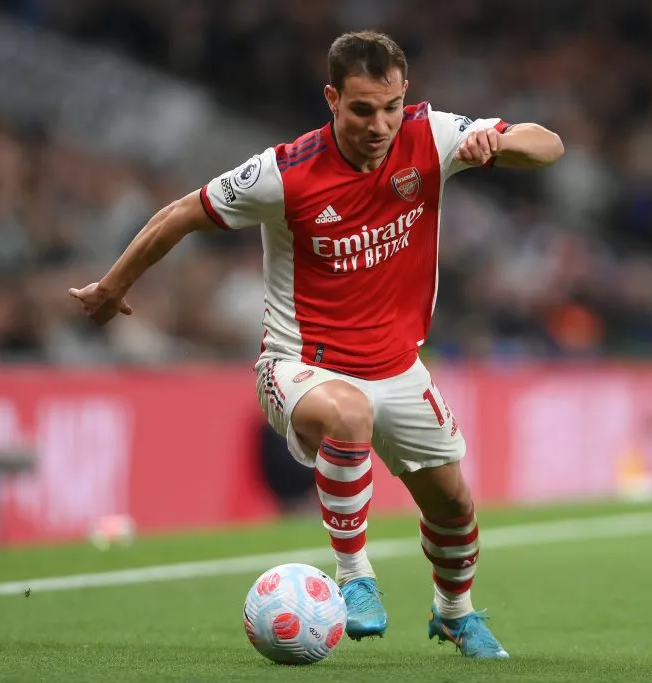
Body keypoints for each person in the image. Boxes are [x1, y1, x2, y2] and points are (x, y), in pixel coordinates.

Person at [69, 31, 563, 659]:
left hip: (399, 367)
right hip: (300, 366)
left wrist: (501, 140)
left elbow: (548, 145)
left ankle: (455, 613)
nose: (379, 124)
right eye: (361, 109)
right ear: (331, 98)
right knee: (348, 413)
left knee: (455, 505)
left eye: (389, 107)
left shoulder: (432, 135)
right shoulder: (285, 173)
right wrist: (113, 287)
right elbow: (181, 214)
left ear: (404, 94)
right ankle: (355, 578)